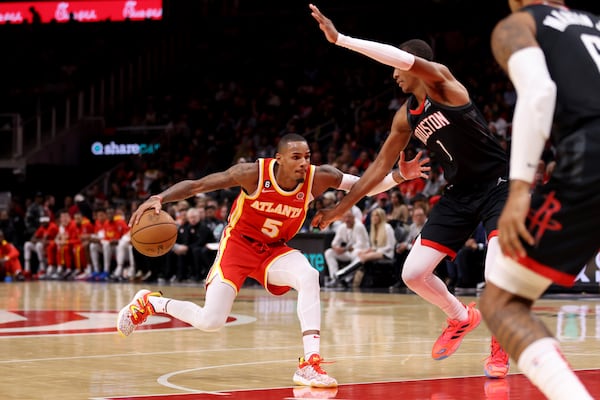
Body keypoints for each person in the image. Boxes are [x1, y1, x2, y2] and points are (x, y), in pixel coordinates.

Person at [116, 133, 429, 388]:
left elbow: (365, 185)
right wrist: (159, 198)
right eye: (296, 157)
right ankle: (150, 303)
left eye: (307, 156)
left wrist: (400, 175)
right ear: (278, 159)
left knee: (309, 275)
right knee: (211, 321)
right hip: (238, 246)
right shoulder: (252, 174)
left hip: (274, 250)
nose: (304, 162)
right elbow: (198, 185)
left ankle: (310, 363)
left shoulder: (320, 178)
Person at [309, 4, 511, 378]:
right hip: (458, 193)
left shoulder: (443, 84)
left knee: (496, 271)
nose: (393, 75)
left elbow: (400, 58)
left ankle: (500, 348)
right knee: (413, 273)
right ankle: (461, 317)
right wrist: (342, 206)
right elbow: (377, 169)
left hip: (498, 185)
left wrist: (341, 40)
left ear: (410, 64)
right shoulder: (405, 117)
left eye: (397, 68)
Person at [479, 1, 600, 399]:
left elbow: (539, 90)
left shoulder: (518, 24)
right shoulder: (595, 25)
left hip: (591, 154)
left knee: (502, 303)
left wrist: (518, 190)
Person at [323, 209, 369, 288]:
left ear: (354, 218)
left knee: (356, 253)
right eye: (345, 217)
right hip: (349, 251)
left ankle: (347, 278)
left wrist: (344, 249)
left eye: (349, 217)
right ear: (343, 219)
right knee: (329, 252)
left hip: (362, 251)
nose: (347, 220)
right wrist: (336, 248)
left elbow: (360, 244)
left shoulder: (359, 226)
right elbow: (334, 243)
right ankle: (335, 278)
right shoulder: (342, 227)